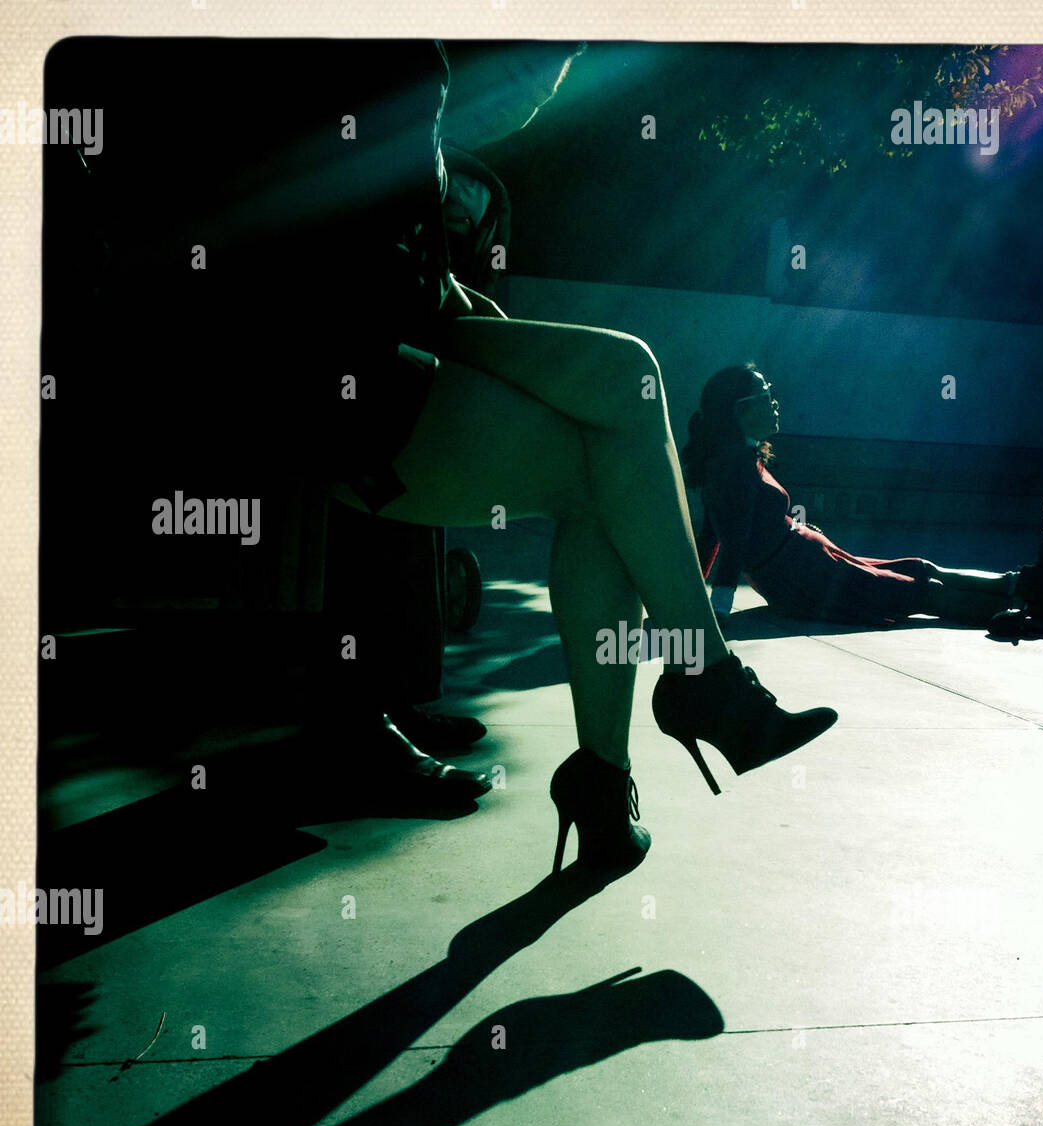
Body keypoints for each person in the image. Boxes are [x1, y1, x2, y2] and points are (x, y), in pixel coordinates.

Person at [312, 43, 838, 870]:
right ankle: (680, 706)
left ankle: (627, 757)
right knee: (612, 443)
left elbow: (384, 232)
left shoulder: (401, 61)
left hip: (396, 328)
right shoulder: (369, 52)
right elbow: (332, 237)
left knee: (628, 382)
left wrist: (452, 294)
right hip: (334, 369)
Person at [684, 365, 1043, 641]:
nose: (775, 401)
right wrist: (715, 612)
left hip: (808, 563)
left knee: (917, 569)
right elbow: (728, 540)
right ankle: (1026, 608)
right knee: (914, 591)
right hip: (801, 579)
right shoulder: (732, 465)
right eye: (766, 394)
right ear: (740, 410)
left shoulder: (740, 457)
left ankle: (1030, 584)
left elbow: (718, 531)